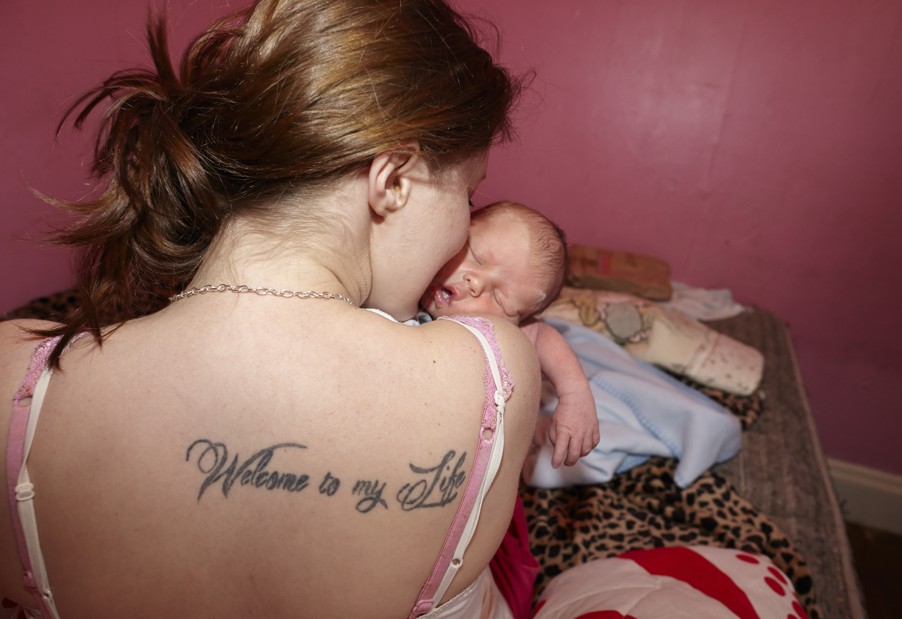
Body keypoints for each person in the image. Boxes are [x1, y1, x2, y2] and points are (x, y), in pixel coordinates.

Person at [0, 1, 542, 618]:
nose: (460, 237)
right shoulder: (491, 374)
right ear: (392, 178)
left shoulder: (13, 376)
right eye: (468, 196)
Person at [420, 201, 600, 469]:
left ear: (516, 321)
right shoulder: (404, 282)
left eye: (499, 298)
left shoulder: (486, 333)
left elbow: (540, 336)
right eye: (477, 256)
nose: (476, 281)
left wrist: (575, 394)